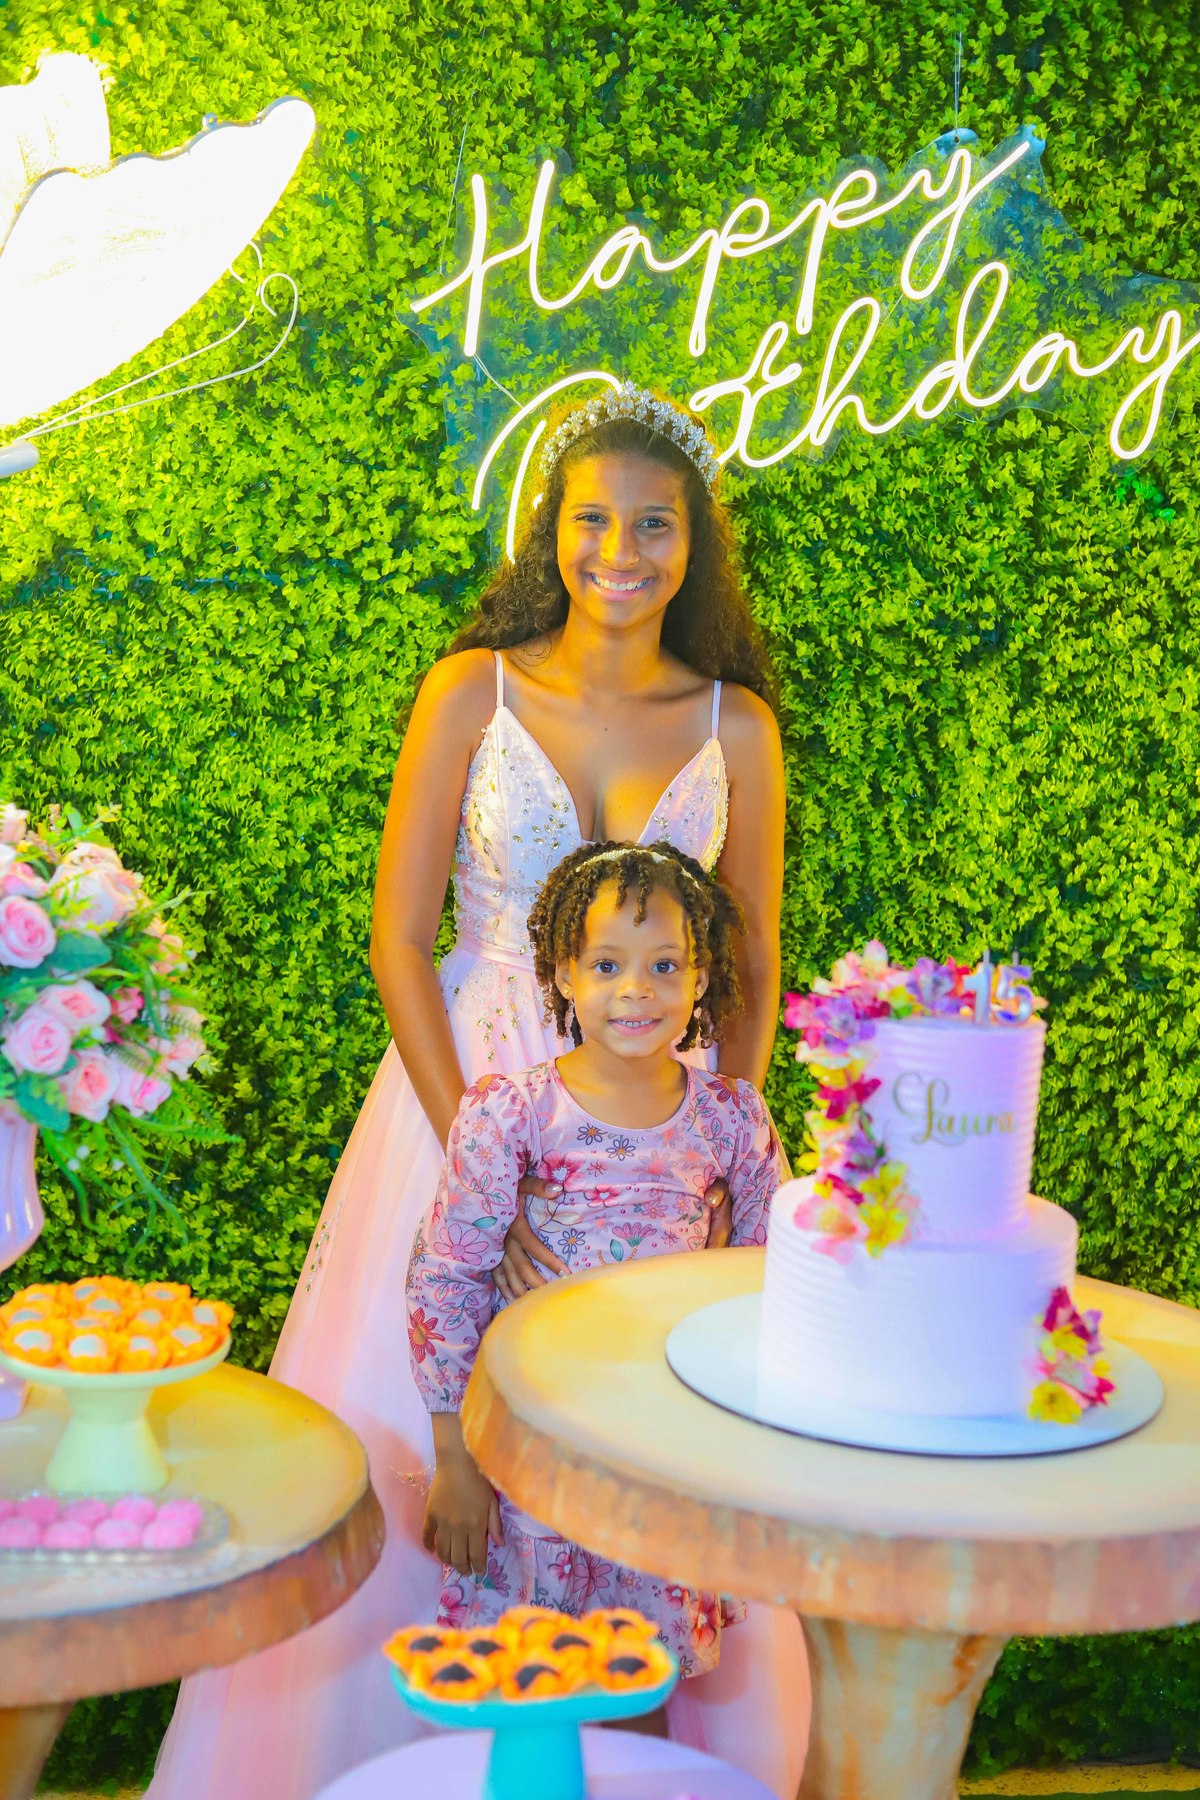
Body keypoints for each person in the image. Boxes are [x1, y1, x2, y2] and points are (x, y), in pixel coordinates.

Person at [147, 383, 806, 1800]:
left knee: (641, 1429)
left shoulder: (737, 725)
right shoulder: (472, 692)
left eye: (655, 525)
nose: (620, 551)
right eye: (593, 520)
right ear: (550, 530)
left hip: (660, 1125)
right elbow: (398, 940)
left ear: (694, 544)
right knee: (431, 1405)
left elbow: (748, 963)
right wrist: (484, 1165)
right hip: (465, 1091)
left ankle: (634, 1756)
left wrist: (710, 1149)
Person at [411, 840, 780, 1675]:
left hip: (667, 1451)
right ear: (564, 976)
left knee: (640, 1676)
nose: (635, 989)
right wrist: (454, 1460)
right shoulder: (512, 1114)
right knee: (531, 1672)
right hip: (534, 1438)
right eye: (607, 965)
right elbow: (445, 1280)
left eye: (665, 966)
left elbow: (767, 1282)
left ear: (700, 978)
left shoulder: (733, 1118)